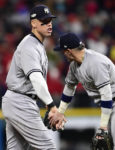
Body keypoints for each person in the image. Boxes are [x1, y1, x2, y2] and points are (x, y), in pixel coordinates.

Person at [50, 33, 115, 150]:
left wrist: (103, 126)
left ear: (68, 51)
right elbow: (69, 88)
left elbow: (106, 94)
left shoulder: (95, 62)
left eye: (63, 51)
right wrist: (60, 112)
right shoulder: (74, 66)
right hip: (110, 105)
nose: (63, 54)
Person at [2, 5, 66, 150]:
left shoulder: (38, 45)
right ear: (33, 23)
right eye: (44, 20)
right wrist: (51, 106)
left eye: (50, 20)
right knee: (48, 147)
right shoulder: (29, 46)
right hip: (20, 102)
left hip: (20, 100)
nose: (49, 23)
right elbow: (36, 78)